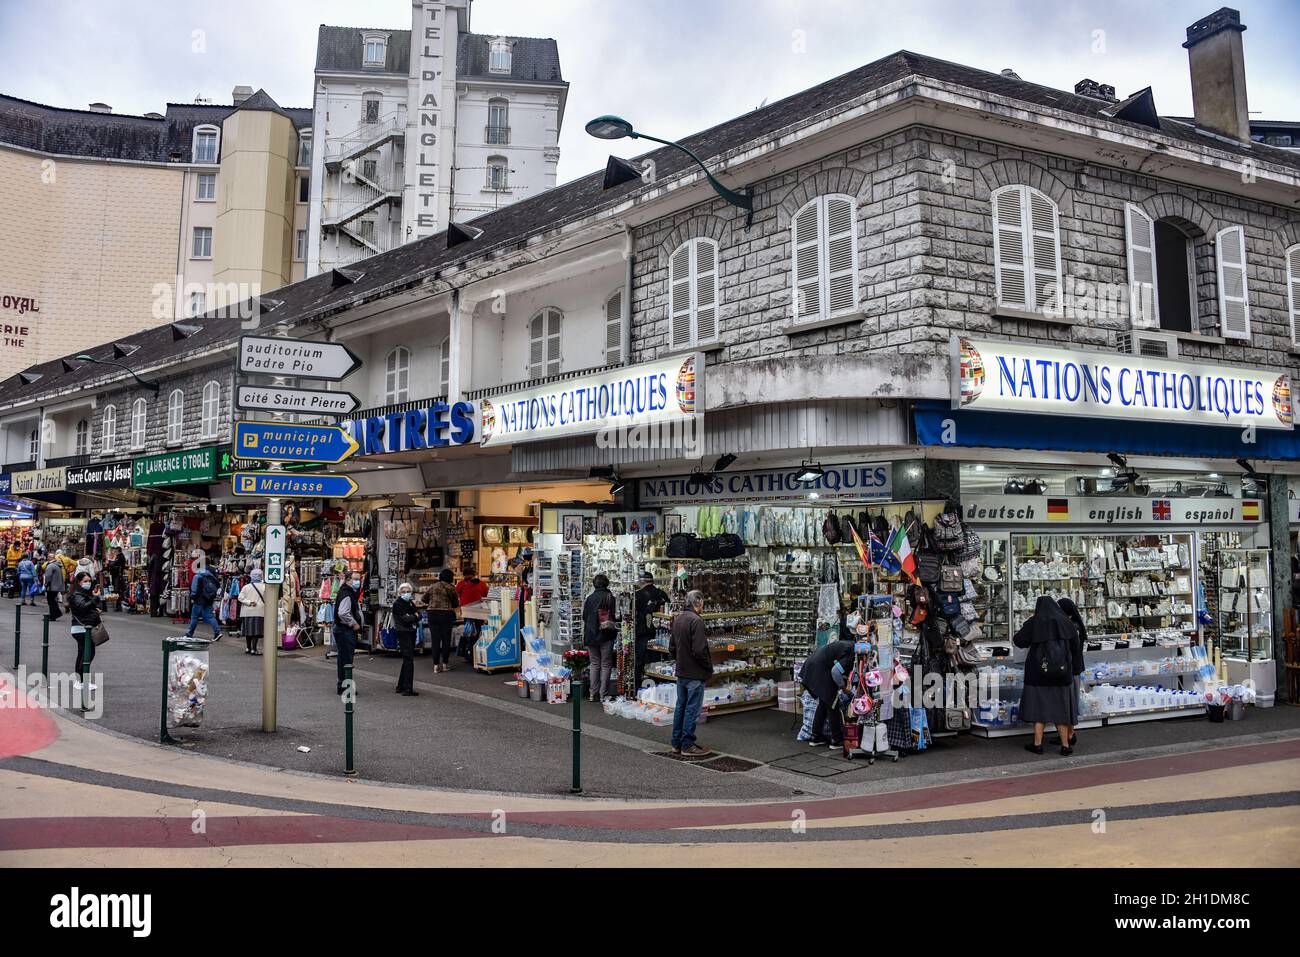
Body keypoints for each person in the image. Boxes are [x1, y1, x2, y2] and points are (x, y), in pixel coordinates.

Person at [1014, 595, 1079, 756]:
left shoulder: (1035, 622)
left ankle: (1037, 744)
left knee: (1038, 709)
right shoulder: (1066, 622)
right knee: (1060, 711)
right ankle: (1065, 745)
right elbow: (1075, 646)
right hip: (1062, 674)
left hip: (1038, 674)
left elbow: (1019, 640)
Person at [668, 589, 712, 757]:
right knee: (692, 709)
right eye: (703, 603)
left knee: (681, 707)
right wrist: (708, 667)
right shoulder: (697, 621)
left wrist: (679, 659)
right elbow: (700, 650)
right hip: (695, 672)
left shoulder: (678, 620)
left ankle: (676, 743)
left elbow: (671, 647)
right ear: (698, 603)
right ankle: (688, 744)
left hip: (682, 671)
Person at [800, 638, 857, 747]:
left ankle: (815, 737)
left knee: (824, 702)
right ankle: (837, 739)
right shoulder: (851, 653)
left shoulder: (848, 645)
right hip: (821, 670)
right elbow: (835, 671)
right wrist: (843, 687)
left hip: (811, 666)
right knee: (832, 703)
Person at [1056, 597, 1089, 751]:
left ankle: (1070, 734)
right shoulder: (1076, 624)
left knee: (1069, 701)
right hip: (1075, 667)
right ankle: (1068, 732)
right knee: (1069, 701)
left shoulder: (1071, 626)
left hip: (1072, 669)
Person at [581, 573, 619, 701]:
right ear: (606, 583)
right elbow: (613, 615)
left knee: (594, 664)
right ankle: (603, 694)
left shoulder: (589, 598)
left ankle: (593, 693)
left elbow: (584, 616)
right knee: (606, 664)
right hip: (605, 634)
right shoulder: (609, 597)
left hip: (591, 635)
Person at [632, 571, 668, 690]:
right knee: (657, 663)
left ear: (642, 581)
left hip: (642, 633)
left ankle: (637, 689)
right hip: (661, 634)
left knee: (639, 662)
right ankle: (659, 687)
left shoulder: (638, 595)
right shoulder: (661, 593)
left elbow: (631, 614)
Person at [333, 572, 366, 696]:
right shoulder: (347, 593)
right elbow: (343, 613)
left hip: (343, 629)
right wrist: (354, 623)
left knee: (343, 658)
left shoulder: (347, 592)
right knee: (346, 660)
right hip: (345, 630)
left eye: (359, 579)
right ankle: (345, 687)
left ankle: (343, 686)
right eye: (356, 579)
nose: (358, 581)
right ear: (348, 580)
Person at [421, 568, 459, 674]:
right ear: (450, 578)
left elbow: (424, 599)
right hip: (446, 614)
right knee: (446, 640)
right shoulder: (451, 588)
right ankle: (445, 664)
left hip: (432, 614)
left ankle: (436, 665)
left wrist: (432, 601)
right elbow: (456, 603)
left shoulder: (433, 586)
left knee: (435, 640)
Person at [68, 571, 101, 690]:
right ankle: (81, 681)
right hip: (81, 629)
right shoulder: (77, 594)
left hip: (81, 628)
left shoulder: (80, 593)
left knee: (82, 653)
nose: (87, 583)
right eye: (85, 581)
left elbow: (85, 608)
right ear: (79, 582)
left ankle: (80, 681)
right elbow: (82, 607)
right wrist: (95, 599)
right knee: (88, 654)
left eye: (89, 581)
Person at [391, 582, 422, 696]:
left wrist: (413, 616)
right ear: (399, 593)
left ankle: (401, 686)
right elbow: (405, 619)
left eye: (408, 592)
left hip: (410, 632)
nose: (406, 594)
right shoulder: (398, 604)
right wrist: (415, 617)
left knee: (407, 659)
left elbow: (420, 614)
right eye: (403, 592)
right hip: (403, 632)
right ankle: (407, 688)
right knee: (408, 660)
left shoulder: (410, 602)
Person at [185, 561, 222, 642]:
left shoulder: (197, 576)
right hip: (209, 598)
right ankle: (217, 632)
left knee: (194, 617)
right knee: (210, 616)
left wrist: (192, 597)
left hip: (199, 599)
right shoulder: (210, 575)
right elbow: (218, 584)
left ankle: (189, 633)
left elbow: (194, 589)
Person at [237, 569, 266, 655]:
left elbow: (240, 598)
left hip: (247, 612)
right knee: (256, 631)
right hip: (259, 611)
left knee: (248, 631)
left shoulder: (246, 587)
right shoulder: (264, 586)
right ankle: (254, 649)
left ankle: (248, 648)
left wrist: (249, 602)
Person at [43, 551, 65, 621]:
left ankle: (53, 615)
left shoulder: (50, 565)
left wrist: (46, 584)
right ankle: (56, 613)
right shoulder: (57, 565)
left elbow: (48, 576)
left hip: (52, 586)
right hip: (56, 586)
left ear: (49, 558)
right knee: (53, 600)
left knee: (51, 601)